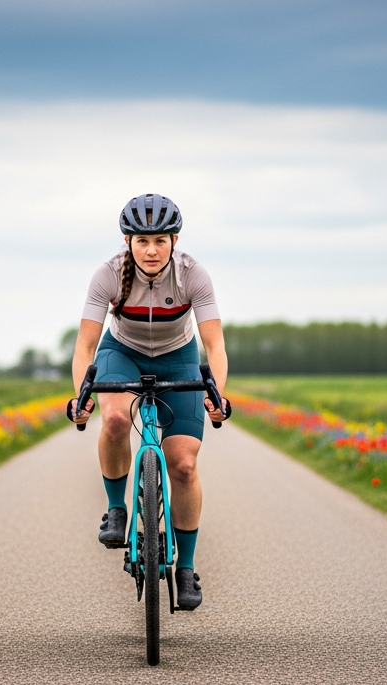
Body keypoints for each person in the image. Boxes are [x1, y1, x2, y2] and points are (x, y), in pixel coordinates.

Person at [69, 193, 228, 611]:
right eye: (142, 241)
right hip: (121, 352)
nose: (151, 250)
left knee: (184, 464)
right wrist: (80, 398)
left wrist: (218, 396)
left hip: (178, 358)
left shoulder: (194, 275)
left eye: (160, 240)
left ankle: (186, 568)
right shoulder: (107, 274)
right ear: (128, 242)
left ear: (175, 240)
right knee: (118, 419)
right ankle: (116, 509)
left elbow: (215, 345)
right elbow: (85, 345)